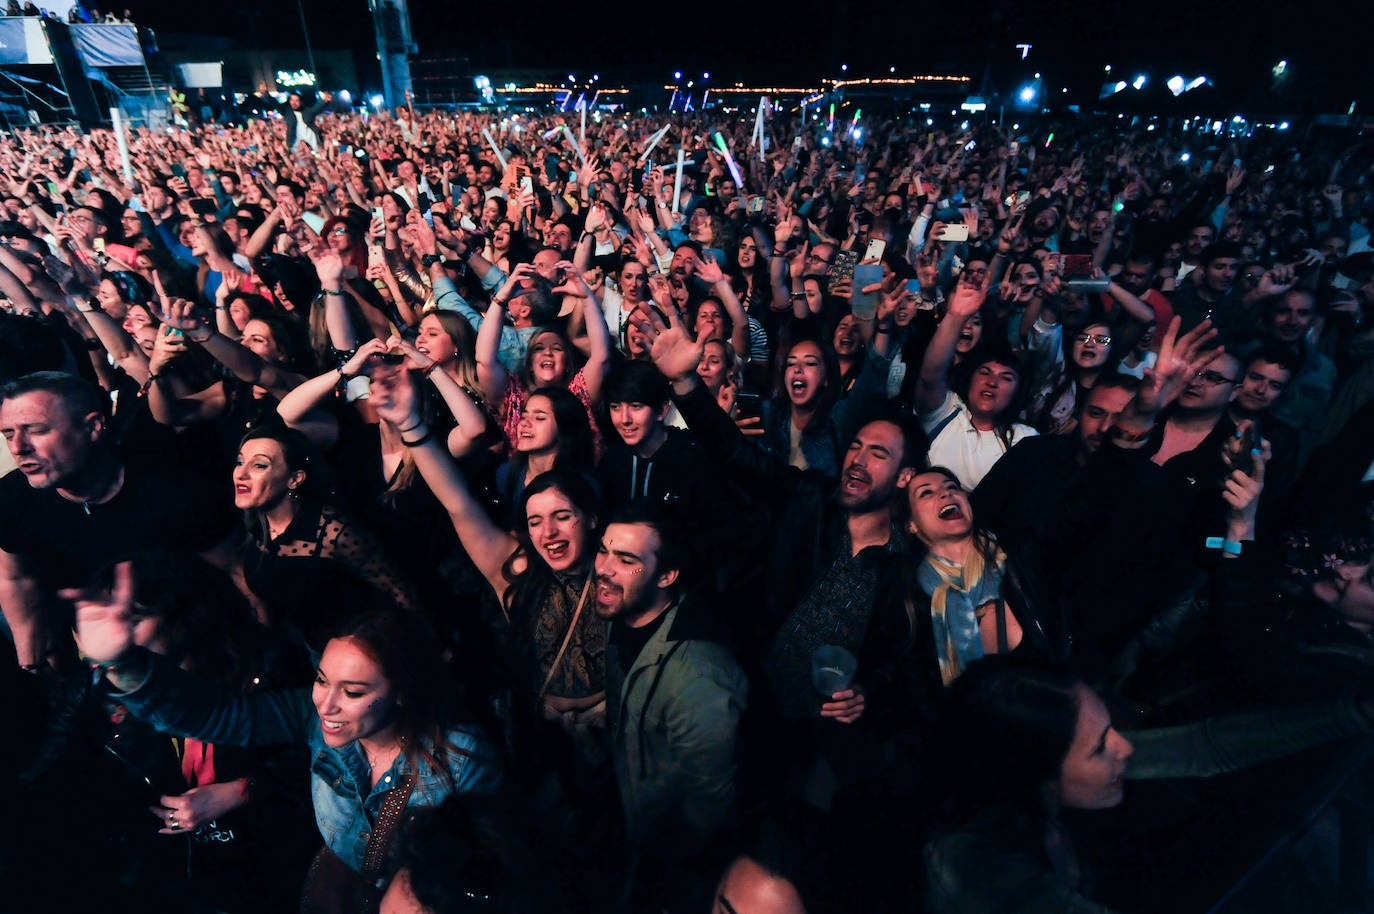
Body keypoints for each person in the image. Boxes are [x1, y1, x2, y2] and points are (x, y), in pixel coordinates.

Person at [72, 582, 503, 909]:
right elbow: (217, 716)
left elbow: (485, 874)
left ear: (402, 693)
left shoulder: (463, 758)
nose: (326, 704)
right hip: (337, 888)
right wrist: (122, 663)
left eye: (352, 691)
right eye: (321, 680)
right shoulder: (311, 717)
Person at [923, 654, 1374, 914]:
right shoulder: (970, 867)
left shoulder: (1038, 789)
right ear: (1033, 774)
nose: (1126, 748)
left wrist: (1352, 714)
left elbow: (1202, 748)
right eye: (1100, 747)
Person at [0, 371, 239, 671]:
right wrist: (31, 659)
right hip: (97, 657)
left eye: (35, 430)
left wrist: (258, 660)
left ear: (92, 426)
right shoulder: (12, 498)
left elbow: (235, 570)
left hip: (192, 655)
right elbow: (16, 578)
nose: (17, 448)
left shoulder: (169, 486)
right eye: (8, 433)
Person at [596, 502, 748, 907]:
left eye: (625, 559)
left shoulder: (699, 676)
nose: (603, 568)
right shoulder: (623, 616)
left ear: (667, 575)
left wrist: (670, 869)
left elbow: (711, 803)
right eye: (603, 550)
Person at [916, 274, 1037, 489]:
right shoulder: (947, 412)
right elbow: (930, 377)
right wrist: (956, 316)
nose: (992, 382)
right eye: (985, 372)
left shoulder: (1024, 438)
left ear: (1018, 392)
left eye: (1006, 377)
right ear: (970, 380)